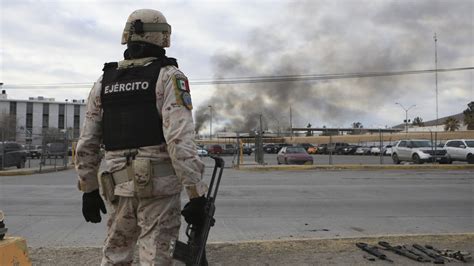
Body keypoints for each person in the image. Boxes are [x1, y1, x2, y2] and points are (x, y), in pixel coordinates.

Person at [75, 9, 208, 265]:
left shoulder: (103, 82)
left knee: (115, 254)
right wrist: (196, 194)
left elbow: (87, 143)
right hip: (159, 188)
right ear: (161, 38)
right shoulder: (169, 77)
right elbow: (179, 141)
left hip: (117, 186)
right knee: (155, 256)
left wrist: (88, 189)